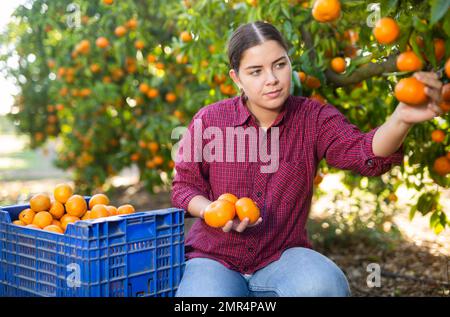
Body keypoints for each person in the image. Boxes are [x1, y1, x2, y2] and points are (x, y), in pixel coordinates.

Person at [171, 21, 443, 297]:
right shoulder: (210, 120)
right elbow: (183, 186)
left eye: (280, 64)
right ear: (236, 78)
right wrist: (210, 210)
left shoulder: (313, 118)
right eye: (256, 71)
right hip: (215, 258)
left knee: (324, 285)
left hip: (281, 257)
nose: (272, 79)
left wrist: (401, 119)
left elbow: (363, 153)